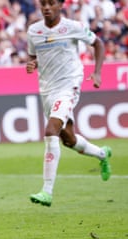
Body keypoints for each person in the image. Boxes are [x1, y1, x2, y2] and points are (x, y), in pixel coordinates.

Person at [26, 0, 111, 207]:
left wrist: (97, 72)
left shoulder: (74, 27)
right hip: (46, 89)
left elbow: (98, 43)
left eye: (51, 3)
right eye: (43, 4)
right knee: (68, 139)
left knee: (51, 130)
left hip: (69, 84)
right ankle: (102, 154)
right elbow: (33, 54)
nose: (46, 7)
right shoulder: (34, 30)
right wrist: (32, 63)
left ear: (60, 5)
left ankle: (47, 191)